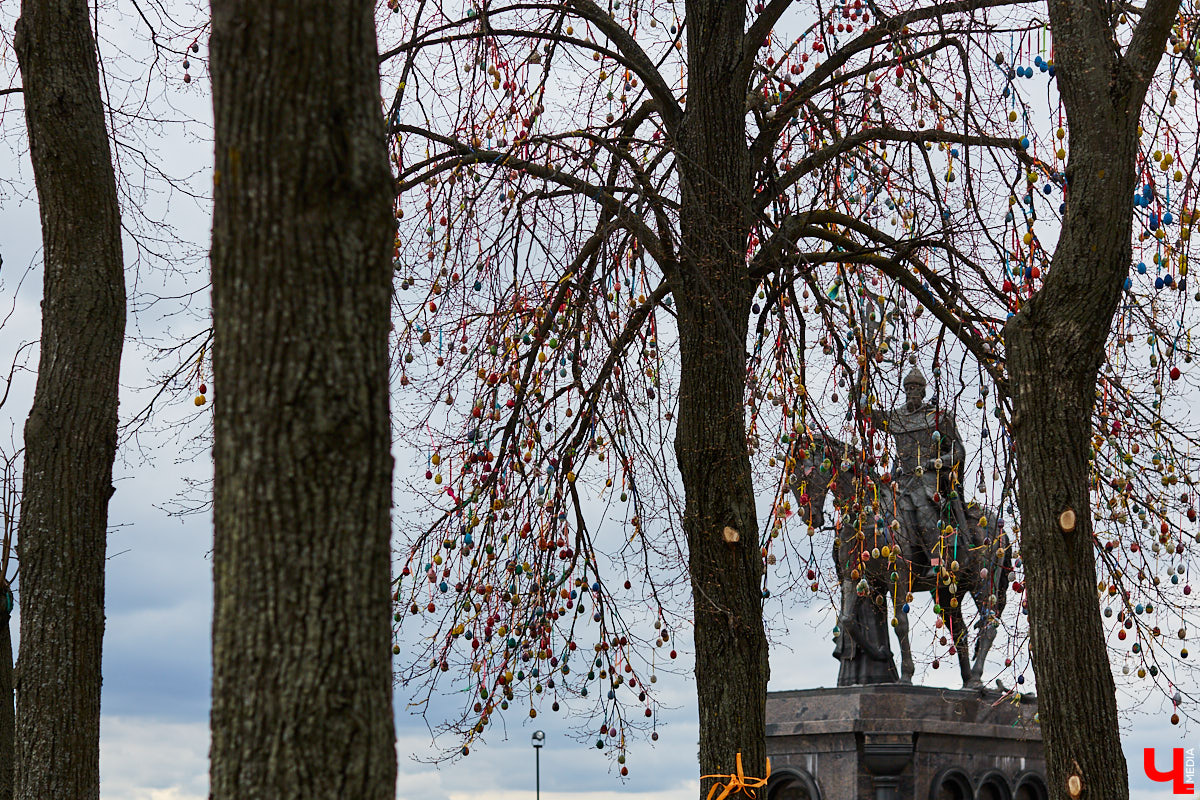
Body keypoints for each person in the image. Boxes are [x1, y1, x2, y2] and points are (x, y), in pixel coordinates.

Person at [870, 367, 970, 578]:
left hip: (929, 478)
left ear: (923, 391)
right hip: (900, 480)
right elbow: (867, 413)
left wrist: (937, 462)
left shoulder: (938, 417)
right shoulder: (896, 417)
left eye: (915, 388)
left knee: (924, 512)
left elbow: (958, 451)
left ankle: (937, 562)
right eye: (908, 388)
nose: (911, 392)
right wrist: (861, 377)